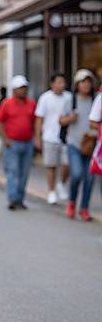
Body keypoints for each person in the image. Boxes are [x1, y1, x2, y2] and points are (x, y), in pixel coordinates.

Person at [59, 69, 97, 220]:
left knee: (89, 178)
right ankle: (72, 202)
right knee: (76, 174)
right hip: (74, 144)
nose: (86, 85)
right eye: (83, 82)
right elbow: (61, 120)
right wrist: (70, 118)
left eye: (89, 82)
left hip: (92, 145)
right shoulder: (71, 100)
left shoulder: (96, 100)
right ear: (77, 84)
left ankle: (84, 208)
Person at [0, 75, 36, 210]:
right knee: (13, 171)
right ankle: (13, 198)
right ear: (14, 90)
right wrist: (5, 138)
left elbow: (35, 122)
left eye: (25, 88)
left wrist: (36, 138)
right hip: (12, 143)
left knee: (24, 172)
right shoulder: (7, 103)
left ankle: (20, 198)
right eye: (21, 88)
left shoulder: (31, 103)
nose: (24, 90)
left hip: (28, 142)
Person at [34, 73, 71, 204]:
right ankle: (51, 191)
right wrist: (37, 137)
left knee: (67, 164)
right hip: (49, 137)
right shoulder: (45, 98)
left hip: (66, 138)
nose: (62, 85)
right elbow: (39, 118)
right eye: (59, 82)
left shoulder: (69, 97)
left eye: (63, 82)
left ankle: (61, 183)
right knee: (51, 166)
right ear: (52, 83)